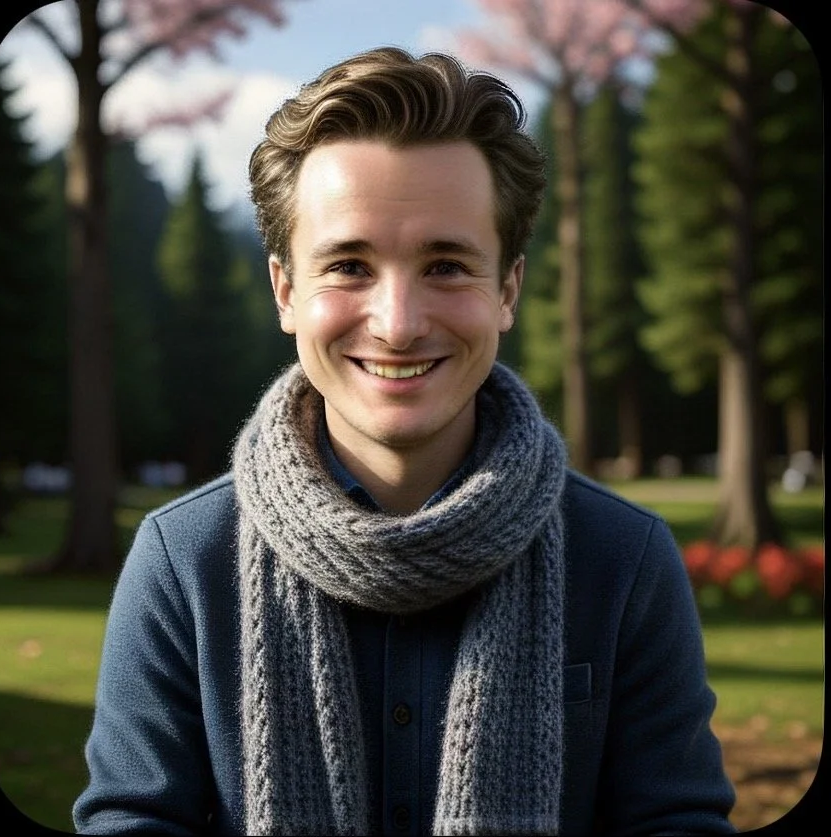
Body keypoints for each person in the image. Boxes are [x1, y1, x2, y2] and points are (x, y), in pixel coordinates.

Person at [73, 47, 736, 836]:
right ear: (286, 291)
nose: (397, 324)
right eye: (350, 265)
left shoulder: (623, 560)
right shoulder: (183, 561)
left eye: (446, 265)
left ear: (508, 289)